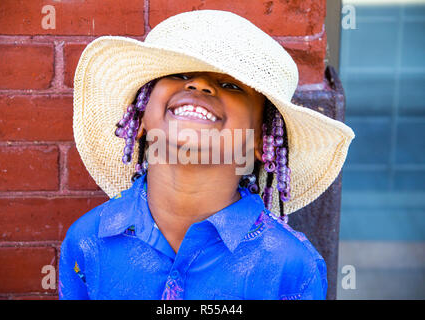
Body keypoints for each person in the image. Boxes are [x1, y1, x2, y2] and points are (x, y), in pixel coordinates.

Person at [59, 10, 355, 300]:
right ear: (139, 120)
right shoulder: (87, 241)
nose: (200, 85)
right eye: (179, 74)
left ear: (262, 141)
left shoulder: (291, 267)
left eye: (230, 85)